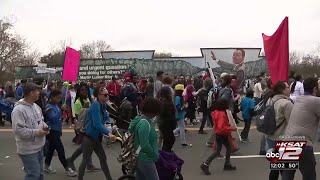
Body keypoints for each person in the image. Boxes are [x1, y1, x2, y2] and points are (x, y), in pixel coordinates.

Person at [281, 77, 320, 180]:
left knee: (287, 174)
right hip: (303, 143)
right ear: (315, 89)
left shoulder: (299, 99)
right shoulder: (316, 101)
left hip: (287, 140)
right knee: (309, 175)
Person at [12, 82, 50, 180]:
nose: (39, 93)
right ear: (31, 93)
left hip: (39, 147)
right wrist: (38, 132)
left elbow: (40, 121)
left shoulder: (36, 107)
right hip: (28, 150)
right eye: (37, 91)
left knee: (40, 174)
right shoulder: (18, 110)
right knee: (33, 175)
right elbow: (19, 131)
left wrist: (45, 127)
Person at [78, 85, 116, 180]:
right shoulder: (95, 105)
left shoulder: (102, 104)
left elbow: (106, 116)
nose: (107, 97)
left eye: (108, 95)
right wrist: (108, 133)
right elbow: (97, 124)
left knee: (103, 158)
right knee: (85, 160)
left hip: (95, 138)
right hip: (89, 137)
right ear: (98, 95)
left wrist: (109, 125)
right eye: (105, 95)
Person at [43, 89, 77, 177]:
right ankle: (67, 168)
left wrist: (60, 130)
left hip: (57, 131)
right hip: (52, 131)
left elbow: (58, 120)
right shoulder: (48, 107)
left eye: (60, 97)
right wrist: (61, 110)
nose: (59, 99)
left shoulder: (56, 105)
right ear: (52, 97)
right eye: (58, 98)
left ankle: (46, 165)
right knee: (60, 150)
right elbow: (53, 118)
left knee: (51, 149)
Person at [68, 83, 100, 172]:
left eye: (86, 90)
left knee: (85, 147)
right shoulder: (78, 102)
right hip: (84, 127)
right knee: (86, 147)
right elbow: (78, 117)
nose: (84, 92)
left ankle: (76, 161)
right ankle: (74, 160)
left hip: (90, 125)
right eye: (82, 90)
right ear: (79, 91)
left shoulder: (89, 99)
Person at [200, 99, 237, 175]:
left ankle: (225, 163)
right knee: (225, 149)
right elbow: (221, 127)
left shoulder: (216, 112)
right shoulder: (222, 114)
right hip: (222, 133)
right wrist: (231, 128)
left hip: (218, 133)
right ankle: (206, 164)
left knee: (221, 150)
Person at [265, 81, 293, 180]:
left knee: (275, 166)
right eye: (287, 87)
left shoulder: (270, 100)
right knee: (286, 169)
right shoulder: (287, 103)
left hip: (270, 137)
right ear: (282, 90)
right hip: (282, 138)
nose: (289, 89)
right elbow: (292, 123)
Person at [128, 97, 161, 180]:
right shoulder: (145, 124)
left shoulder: (140, 119)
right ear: (153, 111)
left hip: (139, 157)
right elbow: (144, 144)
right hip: (145, 158)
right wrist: (153, 154)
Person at [158, 86, 176, 152]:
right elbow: (167, 114)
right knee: (169, 140)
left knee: (169, 140)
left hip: (164, 124)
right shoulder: (166, 103)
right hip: (167, 124)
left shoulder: (162, 101)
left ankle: (166, 153)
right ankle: (165, 154)